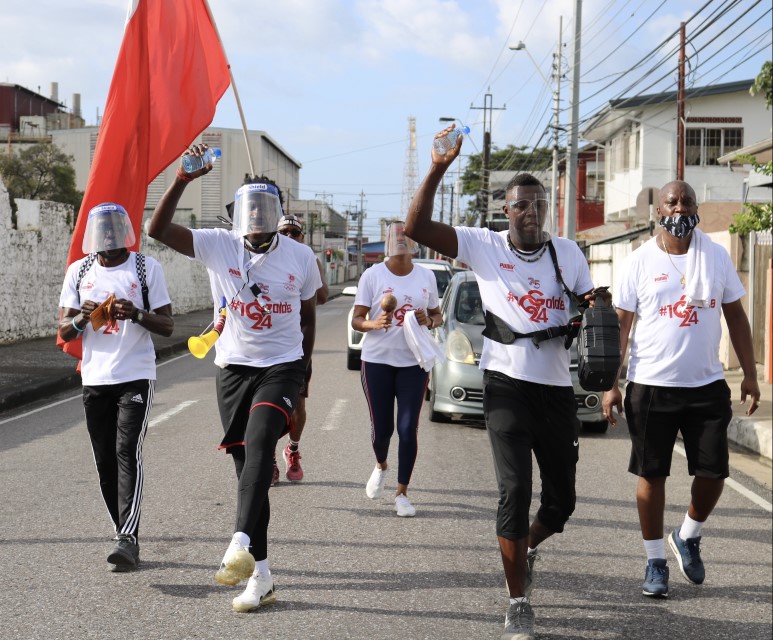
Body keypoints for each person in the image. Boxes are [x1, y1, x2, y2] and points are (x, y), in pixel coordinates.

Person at [405, 125, 608, 640]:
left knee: (561, 504)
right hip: (506, 385)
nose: (531, 212)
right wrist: (438, 165)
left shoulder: (569, 254)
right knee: (515, 491)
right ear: (506, 211)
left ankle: (529, 547)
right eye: (521, 205)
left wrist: (602, 342)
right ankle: (518, 600)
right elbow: (416, 225)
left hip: (555, 390)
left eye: (538, 204)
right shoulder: (483, 246)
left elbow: (591, 312)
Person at [148, 146, 321, 613]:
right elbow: (156, 230)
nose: (259, 218)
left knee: (263, 439)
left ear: (280, 213)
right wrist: (184, 178)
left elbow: (307, 315)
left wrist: (304, 369)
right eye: (251, 210)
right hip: (231, 368)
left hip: (281, 365)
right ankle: (261, 576)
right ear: (237, 216)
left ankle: (238, 541)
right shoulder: (217, 245)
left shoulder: (301, 256)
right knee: (249, 473)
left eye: (267, 209)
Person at [602, 180, 760, 599]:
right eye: (672, 201)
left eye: (687, 200)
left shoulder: (716, 256)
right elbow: (622, 325)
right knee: (651, 474)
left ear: (697, 208)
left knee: (714, 472)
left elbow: (737, 318)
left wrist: (749, 373)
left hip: (706, 384)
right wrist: (611, 384)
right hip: (651, 386)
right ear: (658, 211)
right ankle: (655, 560)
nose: (680, 207)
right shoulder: (639, 261)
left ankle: (688, 535)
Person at [58, 202, 174, 572]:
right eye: (102, 229)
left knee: (127, 450)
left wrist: (135, 313)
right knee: (104, 458)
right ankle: (121, 530)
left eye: (114, 228)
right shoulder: (80, 271)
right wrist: (81, 318)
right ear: (94, 234)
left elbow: (168, 325)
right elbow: (62, 330)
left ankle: (128, 538)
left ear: (124, 230)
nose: (108, 236)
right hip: (95, 377)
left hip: (135, 374)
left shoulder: (144, 267)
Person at [351, 221, 442, 518]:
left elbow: (436, 315)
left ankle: (402, 492)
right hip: (377, 360)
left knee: (407, 429)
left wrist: (427, 321)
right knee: (382, 431)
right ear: (388, 241)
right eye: (396, 235)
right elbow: (357, 319)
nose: (401, 239)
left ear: (414, 242)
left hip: (413, 363)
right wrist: (373, 324)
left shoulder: (426, 276)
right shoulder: (372, 275)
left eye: (406, 235)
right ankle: (381, 465)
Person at [270, 214, 329, 485]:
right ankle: (267, 456)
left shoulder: (306, 259)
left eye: (295, 233)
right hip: (265, 345)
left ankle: (292, 449)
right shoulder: (264, 258)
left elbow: (324, 295)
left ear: (302, 238)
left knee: (297, 405)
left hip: (296, 345)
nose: (290, 237)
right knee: (262, 407)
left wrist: (308, 262)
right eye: (285, 232)